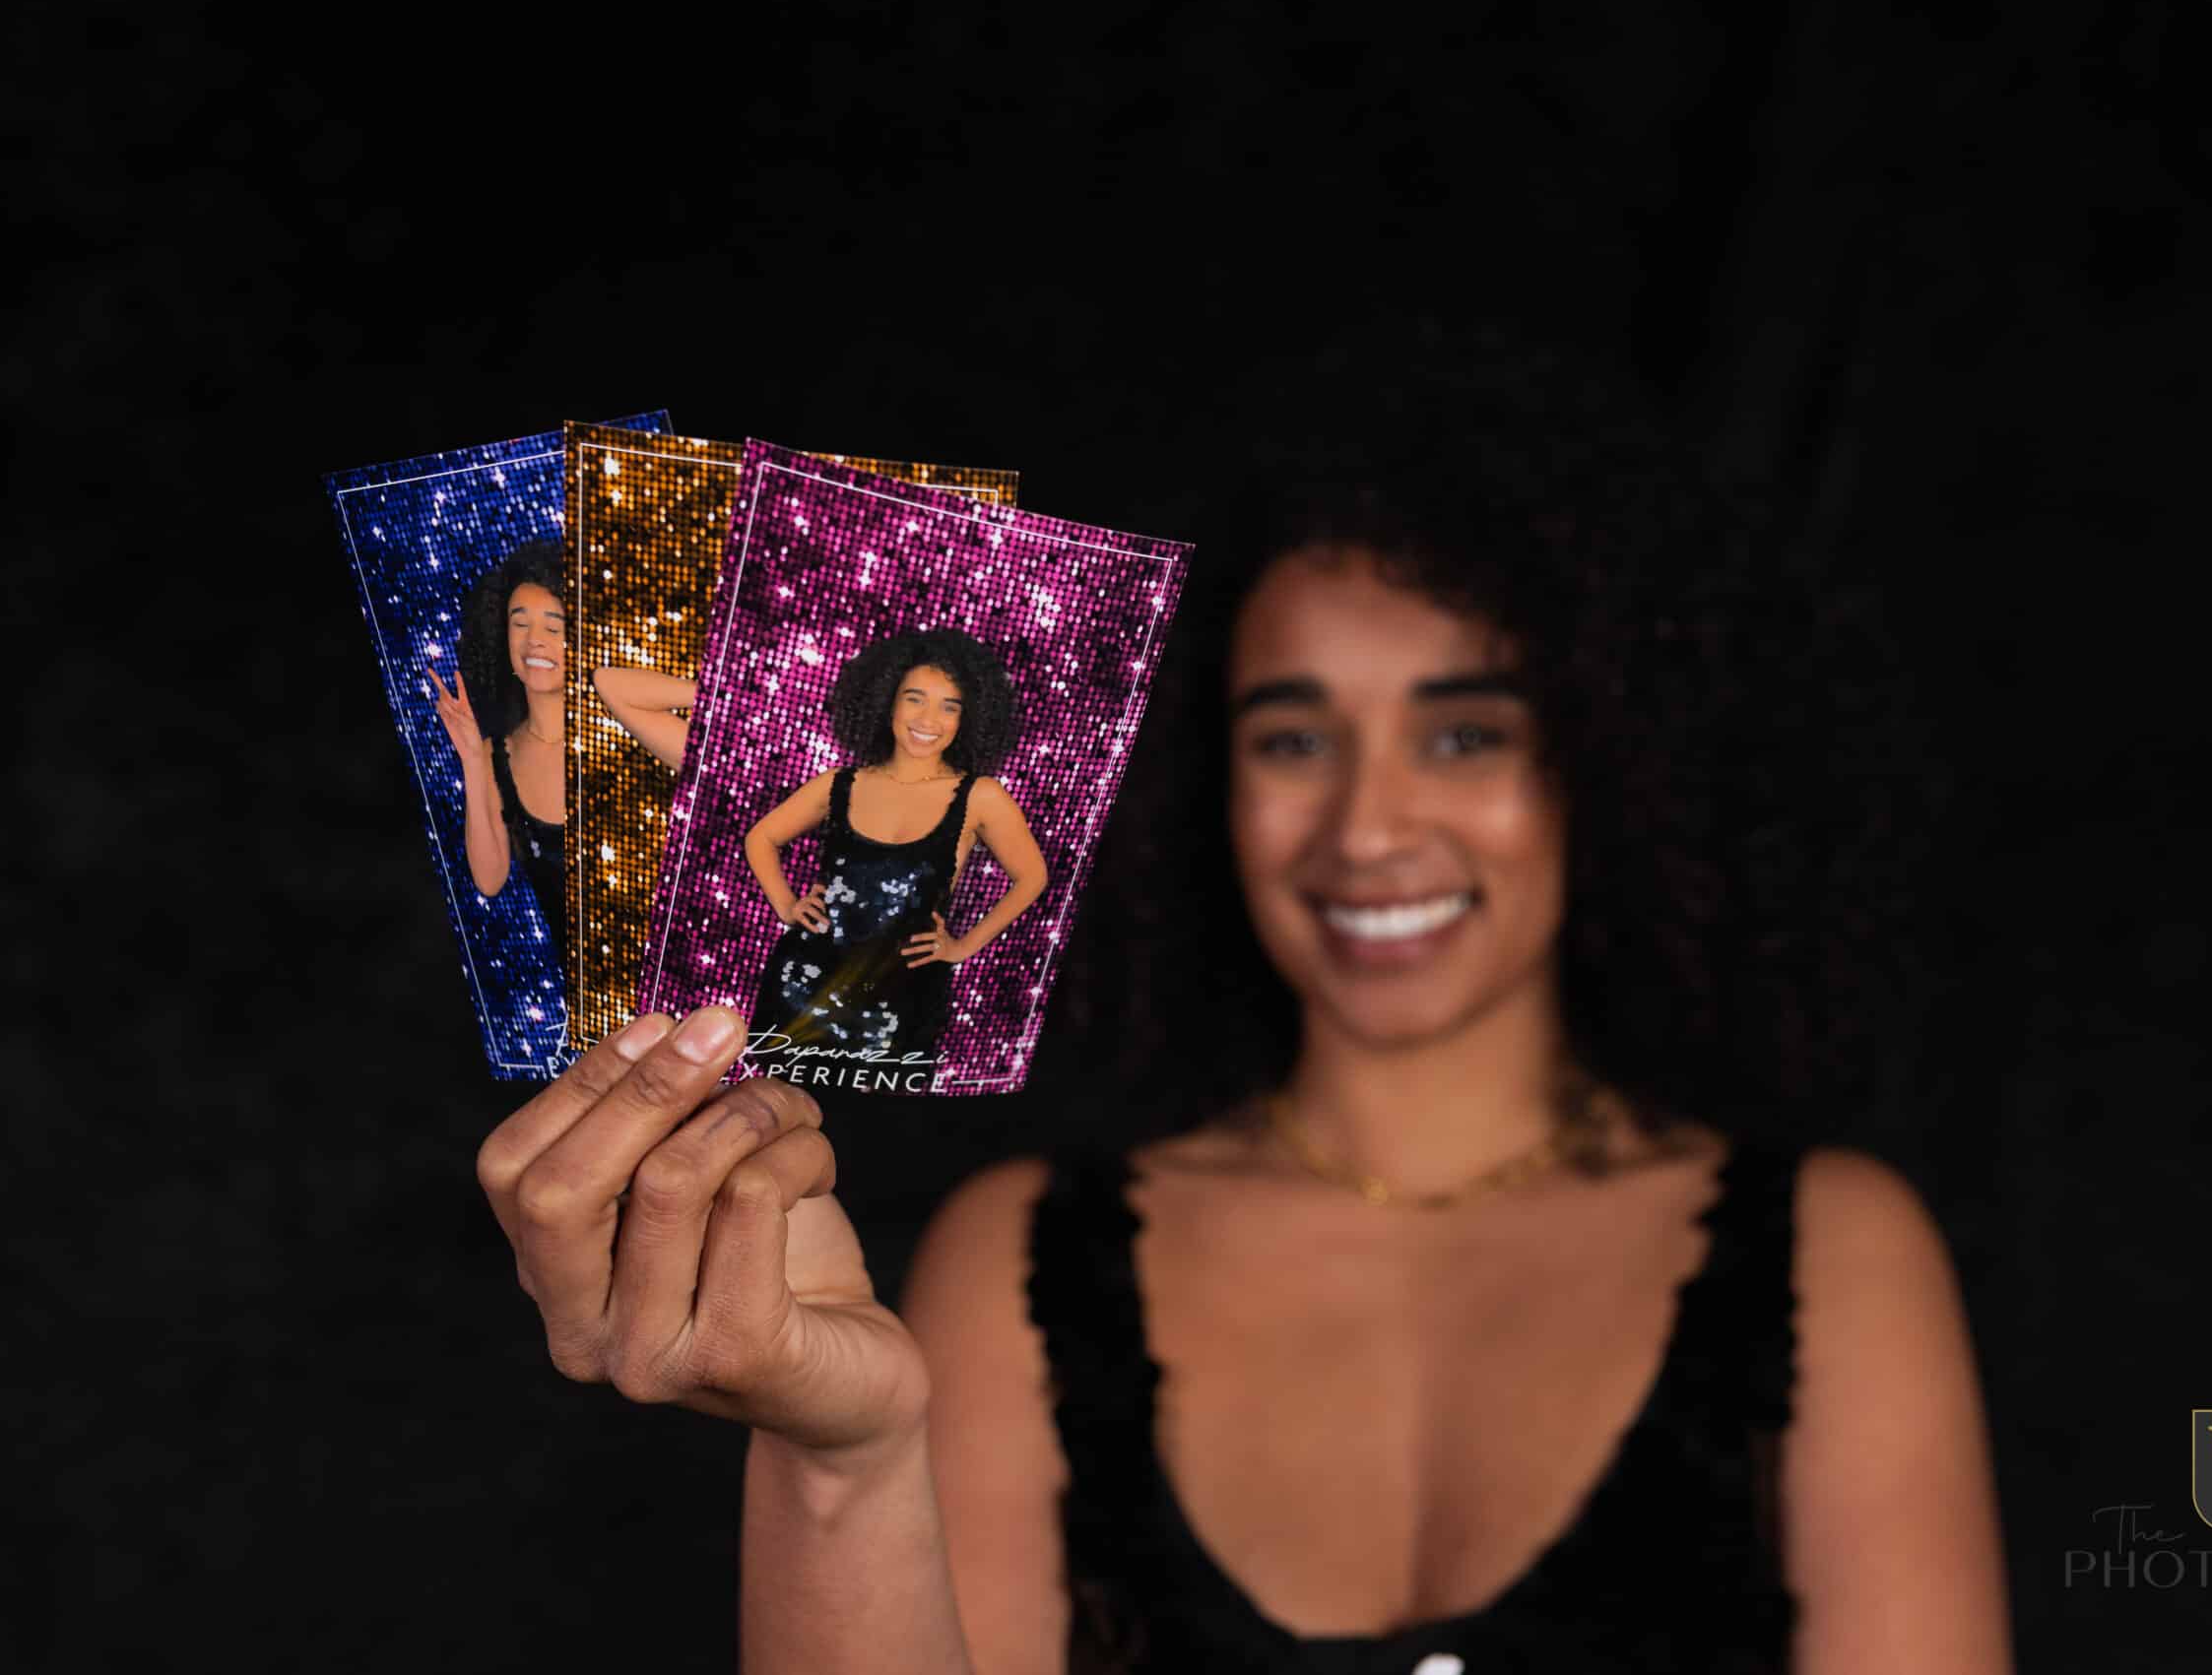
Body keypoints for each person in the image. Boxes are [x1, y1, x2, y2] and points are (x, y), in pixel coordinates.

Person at [477, 353, 2014, 1673]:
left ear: (1605, 761)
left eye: (1463, 733)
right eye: (1295, 739)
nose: (1368, 827)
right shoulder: (1021, 1264)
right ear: (1207, 786)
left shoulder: (1831, 1252)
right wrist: (838, 1455)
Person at [741, 628, 1048, 1083]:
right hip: (803, 985)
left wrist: (962, 946)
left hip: (901, 998)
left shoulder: (980, 796)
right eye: (915, 699)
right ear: (888, 701)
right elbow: (760, 837)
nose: (929, 718)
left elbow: (1032, 877)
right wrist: (787, 904)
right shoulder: (840, 783)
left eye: (950, 705)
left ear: (970, 717)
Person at [427, 541, 568, 930]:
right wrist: (473, 760)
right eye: (520, 624)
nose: (534, 640)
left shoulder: (616, 731)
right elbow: (489, 881)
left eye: (554, 627)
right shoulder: (497, 756)